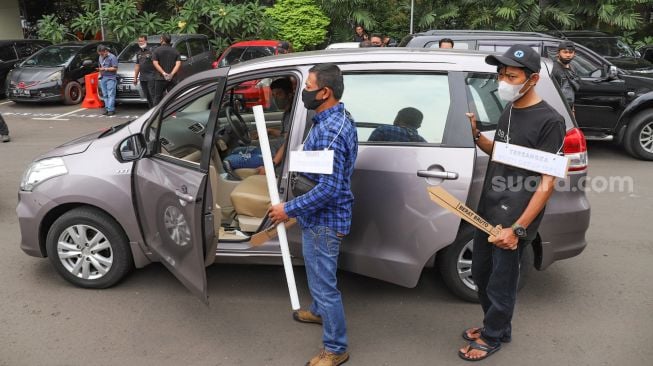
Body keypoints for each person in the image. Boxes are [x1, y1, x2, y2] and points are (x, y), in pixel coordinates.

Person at [459, 45, 566, 361]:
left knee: (501, 283)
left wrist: (518, 228)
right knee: (481, 274)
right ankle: (497, 325)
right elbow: (507, 153)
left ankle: (493, 336)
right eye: (501, 74)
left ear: (532, 79)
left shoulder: (550, 121)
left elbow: (547, 182)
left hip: (514, 218)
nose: (502, 80)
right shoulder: (511, 109)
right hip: (488, 211)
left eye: (511, 75)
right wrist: (479, 137)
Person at [268, 63, 357, 366]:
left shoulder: (331, 130)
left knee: (324, 285)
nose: (303, 92)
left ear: (325, 92)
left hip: (324, 221)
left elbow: (329, 189)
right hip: (318, 216)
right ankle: (318, 312)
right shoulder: (335, 117)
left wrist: (287, 209)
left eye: (307, 87)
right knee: (320, 277)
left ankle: (335, 348)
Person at [222, 78, 294, 172]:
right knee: (235, 151)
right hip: (270, 150)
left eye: (279, 94)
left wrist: (272, 165)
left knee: (228, 161)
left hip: (272, 157)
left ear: (289, 95)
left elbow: (289, 143)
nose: (275, 98)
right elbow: (286, 135)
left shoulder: (295, 114)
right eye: (273, 95)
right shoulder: (287, 113)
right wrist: (270, 130)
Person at [551, 40, 580, 112]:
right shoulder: (552, 68)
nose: (568, 55)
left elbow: (571, 91)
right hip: (555, 108)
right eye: (565, 52)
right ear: (558, 53)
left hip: (568, 109)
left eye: (570, 52)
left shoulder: (573, 69)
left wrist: (572, 111)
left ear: (574, 54)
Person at [152, 34, 181, 106]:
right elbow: (178, 64)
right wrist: (171, 74)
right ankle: (173, 113)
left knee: (158, 97)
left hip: (160, 78)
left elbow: (155, 63)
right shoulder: (175, 51)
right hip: (172, 78)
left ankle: (156, 115)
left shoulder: (156, 50)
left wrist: (163, 73)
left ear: (162, 39)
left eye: (160, 38)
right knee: (173, 97)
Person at [133, 35, 156, 108]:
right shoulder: (138, 53)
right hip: (143, 77)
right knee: (147, 95)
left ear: (146, 41)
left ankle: (156, 110)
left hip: (151, 76)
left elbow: (156, 63)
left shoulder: (151, 51)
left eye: (142, 41)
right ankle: (151, 109)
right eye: (139, 41)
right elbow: (137, 65)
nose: (140, 42)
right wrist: (135, 78)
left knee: (153, 94)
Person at [97, 45, 118, 116]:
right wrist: (100, 73)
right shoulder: (100, 57)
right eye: (100, 54)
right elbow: (100, 65)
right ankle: (107, 108)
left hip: (110, 78)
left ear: (106, 51)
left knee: (111, 94)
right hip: (103, 77)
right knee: (105, 95)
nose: (101, 56)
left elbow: (115, 68)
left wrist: (105, 69)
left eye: (102, 54)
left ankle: (111, 110)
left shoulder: (112, 57)